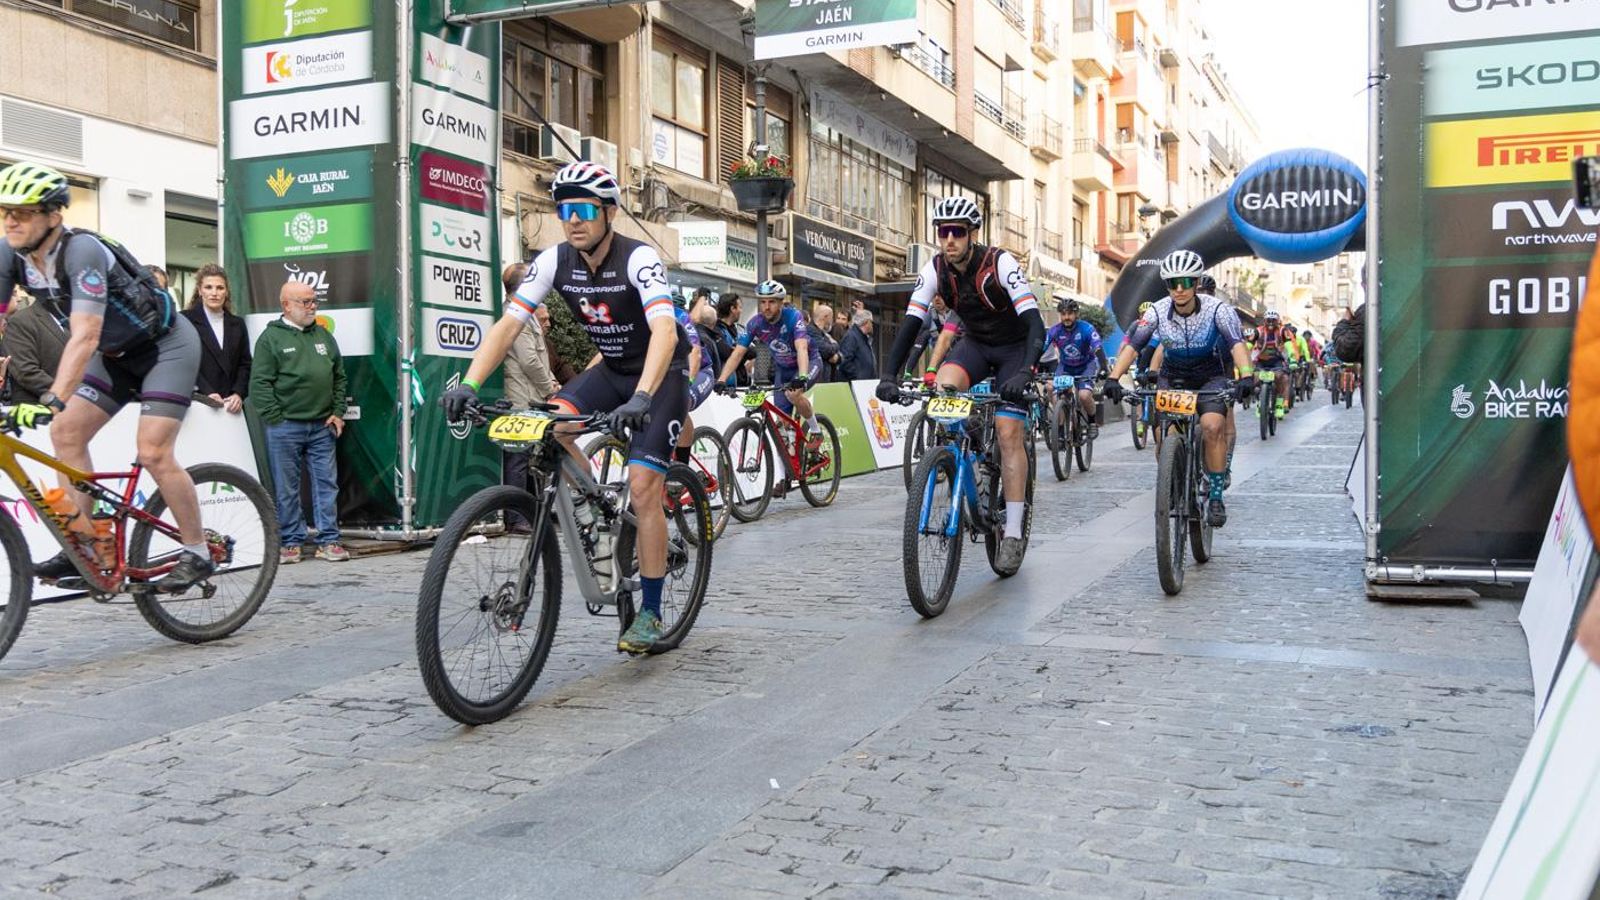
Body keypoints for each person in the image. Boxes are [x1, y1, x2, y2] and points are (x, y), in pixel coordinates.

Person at [441, 161, 687, 656]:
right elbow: (509, 325)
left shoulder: (639, 259)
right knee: (548, 425)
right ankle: (595, 506)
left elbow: (665, 330)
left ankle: (653, 611)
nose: (572, 220)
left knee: (643, 488)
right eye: (563, 210)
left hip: (657, 377)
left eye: (583, 210)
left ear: (609, 213)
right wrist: (469, 382)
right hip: (611, 369)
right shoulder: (554, 261)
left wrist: (641, 397)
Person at [0, 161, 214, 591]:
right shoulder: (11, 254)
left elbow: (85, 333)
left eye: (22, 212)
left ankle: (198, 550)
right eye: (5, 210)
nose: (10, 220)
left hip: (165, 347)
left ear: (53, 215)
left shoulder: (82, 252)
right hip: (114, 355)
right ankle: (85, 541)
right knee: (66, 435)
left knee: (152, 452)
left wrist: (53, 398)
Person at [876, 196, 1044, 573]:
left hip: (1014, 349)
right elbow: (911, 324)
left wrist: (1026, 372)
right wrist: (890, 375)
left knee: (1008, 431)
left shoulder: (999, 263)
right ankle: (963, 449)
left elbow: (1036, 323)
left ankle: (1013, 531)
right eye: (942, 232)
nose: (948, 239)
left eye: (957, 232)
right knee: (944, 389)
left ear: (972, 234)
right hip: (977, 346)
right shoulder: (935, 267)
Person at [1102, 249, 1255, 527]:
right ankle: (1172, 480)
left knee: (1211, 426)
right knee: (1164, 436)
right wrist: (1113, 378)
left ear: (1196, 283)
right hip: (1173, 376)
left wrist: (1246, 376)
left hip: (1210, 375)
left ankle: (1216, 495)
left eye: (1186, 282)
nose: (1180, 289)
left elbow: (1236, 344)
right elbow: (1134, 345)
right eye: (1173, 283)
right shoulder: (1157, 311)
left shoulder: (1218, 310)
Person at [250, 281, 350, 564]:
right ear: (286, 305)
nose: (313, 306)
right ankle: (291, 542)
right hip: (285, 427)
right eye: (305, 302)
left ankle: (328, 541)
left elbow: (339, 376)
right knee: (286, 487)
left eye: (313, 300)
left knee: (326, 485)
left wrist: (338, 411)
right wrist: (275, 418)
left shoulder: (324, 336)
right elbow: (259, 383)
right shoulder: (270, 339)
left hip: (322, 426)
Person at [717, 280, 822, 445]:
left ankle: (816, 431)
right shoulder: (755, 323)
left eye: (772, 302)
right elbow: (737, 354)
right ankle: (792, 456)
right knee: (782, 423)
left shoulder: (793, 317)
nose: (766, 307)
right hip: (783, 368)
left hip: (808, 362)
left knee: (794, 394)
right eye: (763, 302)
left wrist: (802, 376)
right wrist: (721, 380)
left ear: (781, 302)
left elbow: (801, 348)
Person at [181, 263, 250, 414]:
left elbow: (245, 364)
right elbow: (184, 362)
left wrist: (238, 393)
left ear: (226, 292)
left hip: (231, 406)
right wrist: (207, 393)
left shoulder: (237, 324)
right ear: (200, 290)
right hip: (197, 404)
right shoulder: (184, 320)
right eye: (208, 287)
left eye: (220, 288)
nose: (214, 293)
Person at [1043, 295, 1110, 440]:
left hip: (1086, 365)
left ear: (1076, 314)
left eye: (1070, 313)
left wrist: (1104, 366)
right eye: (1063, 314)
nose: (1067, 317)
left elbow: (1098, 348)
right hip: (1065, 367)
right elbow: (1041, 349)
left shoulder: (1086, 328)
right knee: (1053, 392)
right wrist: (1030, 366)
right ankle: (1059, 428)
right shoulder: (1054, 331)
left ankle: (1092, 422)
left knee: (1084, 395)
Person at [0, 278, 68, 404]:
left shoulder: (70, 322)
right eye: (14, 293)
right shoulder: (20, 321)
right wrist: (69, 393)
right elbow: (26, 372)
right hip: (38, 410)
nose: (19, 299)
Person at [1250, 309, 1292, 420]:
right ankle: (1260, 401)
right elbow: (1248, 345)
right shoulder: (1258, 331)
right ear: (1264, 321)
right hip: (1261, 361)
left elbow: (1289, 346)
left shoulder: (1283, 331)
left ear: (1277, 321)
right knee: (1255, 378)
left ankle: (1279, 403)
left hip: (1276, 360)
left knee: (1279, 377)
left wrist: (1292, 358)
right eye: (1268, 320)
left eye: (1273, 321)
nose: (1271, 323)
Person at [713, 293, 748, 386]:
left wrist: (739, 350)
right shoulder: (716, 329)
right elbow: (726, 353)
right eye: (740, 307)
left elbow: (753, 351)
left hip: (741, 382)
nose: (741, 311)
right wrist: (741, 350)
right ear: (733, 309)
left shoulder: (738, 329)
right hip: (725, 385)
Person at [838, 308, 878, 381]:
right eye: (871, 322)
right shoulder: (851, 337)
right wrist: (858, 377)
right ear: (866, 322)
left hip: (863, 383)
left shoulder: (863, 337)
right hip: (856, 385)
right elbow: (845, 361)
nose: (872, 325)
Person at [808, 303, 842, 382]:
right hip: (815, 380)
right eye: (831, 317)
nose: (832, 321)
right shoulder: (811, 331)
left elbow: (840, 353)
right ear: (825, 317)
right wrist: (835, 344)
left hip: (825, 379)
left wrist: (837, 357)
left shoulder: (824, 333)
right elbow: (826, 351)